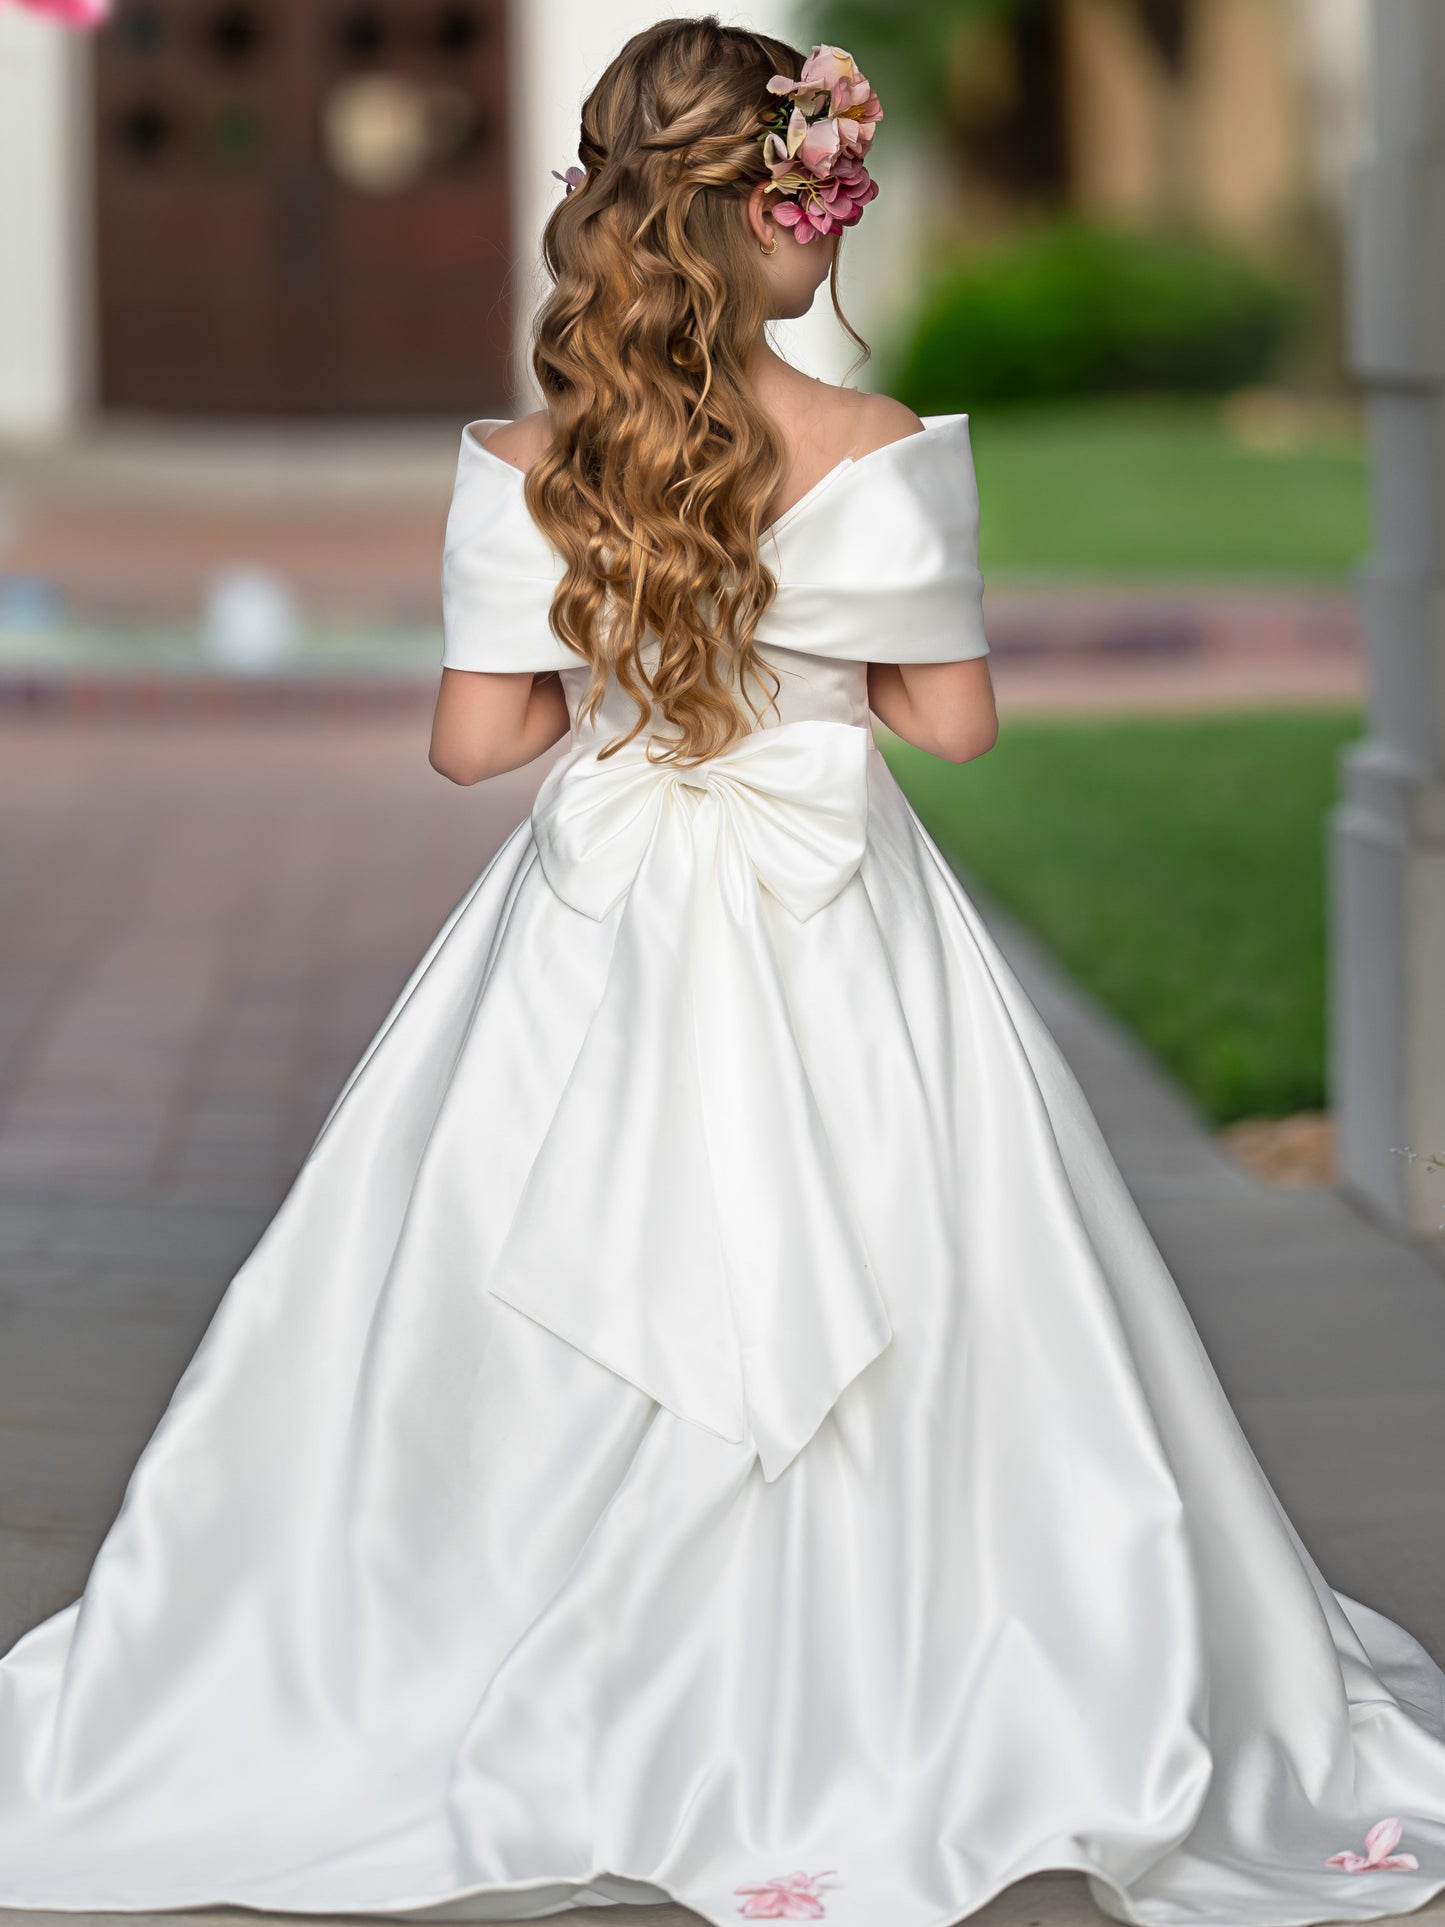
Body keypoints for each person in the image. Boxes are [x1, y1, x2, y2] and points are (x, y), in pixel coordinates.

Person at [1, 17, 1443, 1927]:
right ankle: (926, 1668)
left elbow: (474, 747)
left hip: (597, 917)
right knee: (927, 1262)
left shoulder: (529, 463)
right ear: (785, 215)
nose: (834, 229)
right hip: (840, 914)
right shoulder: (885, 451)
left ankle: (483, 1650)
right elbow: (953, 728)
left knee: (522, 1262)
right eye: (824, 200)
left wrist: (630, 689)